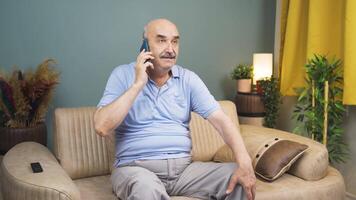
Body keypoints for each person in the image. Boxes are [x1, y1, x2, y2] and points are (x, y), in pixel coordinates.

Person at [94, 18, 256, 200]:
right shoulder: (122, 75)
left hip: (184, 172)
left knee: (239, 176)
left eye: (175, 41)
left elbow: (221, 121)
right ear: (144, 45)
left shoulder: (188, 79)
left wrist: (244, 161)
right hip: (136, 170)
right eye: (162, 40)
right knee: (146, 190)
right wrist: (138, 84)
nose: (170, 49)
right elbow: (102, 126)